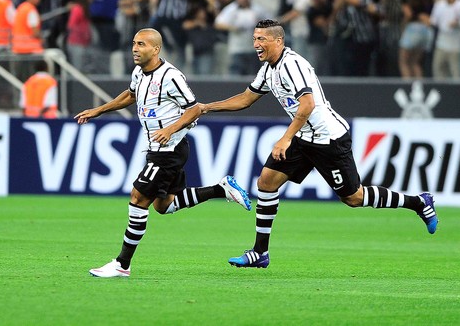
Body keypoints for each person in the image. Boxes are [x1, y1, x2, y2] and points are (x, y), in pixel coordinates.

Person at [199, 20, 438, 269]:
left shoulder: (293, 65)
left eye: (262, 39)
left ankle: (418, 202)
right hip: (304, 137)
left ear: (278, 41)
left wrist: (285, 138)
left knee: (354, 197)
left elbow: (308, 105)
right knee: (266, 182)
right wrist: (206, 107)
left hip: (328, 138)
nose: (256, 44)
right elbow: (246, 99)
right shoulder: (269, 69)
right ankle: (260, 252)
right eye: (255, 39)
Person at [74, 28, 252, 278]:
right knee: (163, 205)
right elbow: (130, 95)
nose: (135, 49)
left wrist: (169, 129)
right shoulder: (138, 72)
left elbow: (194, 109)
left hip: (168, 149)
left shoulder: (171, 76)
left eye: (142, 44)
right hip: (160, 147)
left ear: (156, 49)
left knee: (138, 198)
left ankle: (122, 264)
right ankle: (220, 189)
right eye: (134, 43)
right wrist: (99, 110)